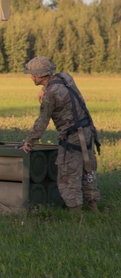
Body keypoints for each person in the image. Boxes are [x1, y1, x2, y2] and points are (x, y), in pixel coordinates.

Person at [20, 56, 100, 212]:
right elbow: (61, 79)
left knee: (68, 176)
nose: (30, 77)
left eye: (31, 74)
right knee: (88, 170)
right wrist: (43, 89)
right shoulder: (65, 78)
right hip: (88, 131)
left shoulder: (50, 96)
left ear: (39, 75)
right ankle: (93, 207)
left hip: (72, 138)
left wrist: (29, 141)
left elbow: (42, 122)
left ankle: (76, 215)